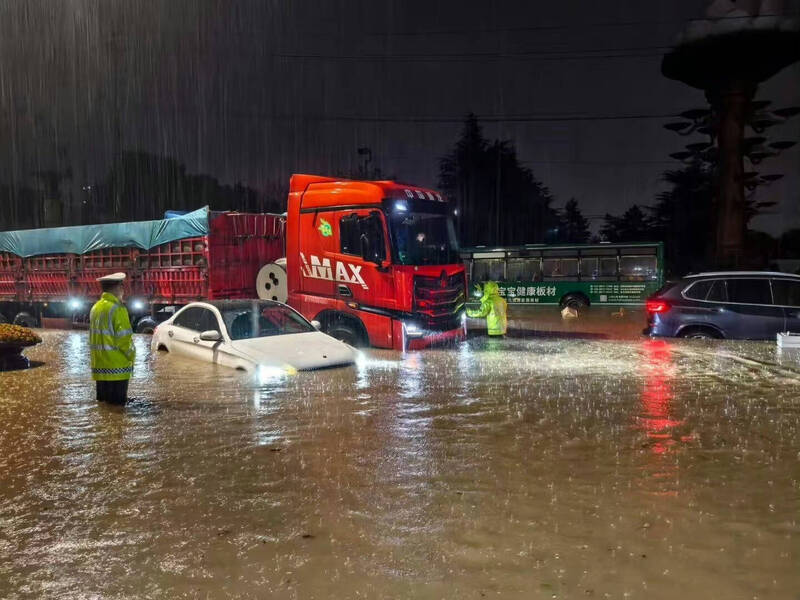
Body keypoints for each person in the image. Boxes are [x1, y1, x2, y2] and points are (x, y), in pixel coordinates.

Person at [89, 272, 135, 404]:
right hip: (117, 369)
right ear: (118, 288)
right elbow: (124, 340)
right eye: (122, 286)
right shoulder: (117, 309)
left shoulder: (95, 308)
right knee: (118, 409)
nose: (123, 290)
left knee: (104, 406)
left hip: (100, 368)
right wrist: (132, 356)